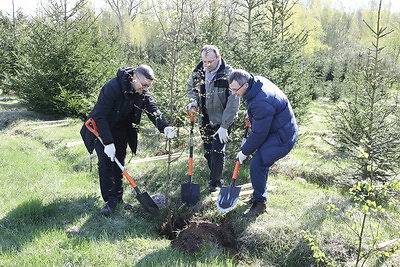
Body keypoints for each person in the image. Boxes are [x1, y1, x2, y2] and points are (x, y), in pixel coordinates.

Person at [80, 65, 175, 216]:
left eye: (148, 86)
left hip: (121, 130)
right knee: (106, 164)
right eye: (144, 85)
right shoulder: (112, 87)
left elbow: (152, 108)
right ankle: (110, 201)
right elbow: (99, 115)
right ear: (134, 77)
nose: (145, 89)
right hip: (100, 128)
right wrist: (108, 142)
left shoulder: (142, 91)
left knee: (119, 162)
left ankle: (119, 198)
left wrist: (164, 127)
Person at [228, 69, 298, 217]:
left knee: (258, 163)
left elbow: (259, 133)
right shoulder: (256, 82)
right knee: (261, 162)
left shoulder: (261, 101)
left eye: (235, 90)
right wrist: (252, 113)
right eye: (231, 89)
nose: (233, 93)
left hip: (282, 136)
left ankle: (260, 203)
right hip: (278, 127)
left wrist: (244, 152)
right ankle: (258, 193)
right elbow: (263, 111)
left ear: (245, 85)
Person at [186, 45, 240, 192]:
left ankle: (215, 184)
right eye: (204, 61)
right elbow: (191, 88)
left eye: (210, 61)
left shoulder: (229, 75)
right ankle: (216, 177)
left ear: (218, 58)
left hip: (223, 119)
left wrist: (224, 126)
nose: (207, 65)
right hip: (205, 119)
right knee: (208, 151)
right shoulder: (199, 72)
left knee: (217, 151)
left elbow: (233, 102)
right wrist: (193, 101)